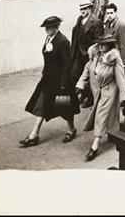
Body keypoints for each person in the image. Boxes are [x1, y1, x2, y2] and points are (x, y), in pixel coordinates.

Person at [20, 16, 80, 147]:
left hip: (61, 82)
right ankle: (34, 135)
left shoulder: (63, 41)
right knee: (41, 104)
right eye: (46, 27)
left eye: (49, 27)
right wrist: (44, 73)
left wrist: (63, 84)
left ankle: (71, 129)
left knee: (65, 106)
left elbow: (67, 64)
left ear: (56, 27)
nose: (46, 30)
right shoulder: (49, 38)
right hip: (48, 80)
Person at [76, 32, 125, 161]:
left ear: (109, 45)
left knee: (101, 116)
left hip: (109, 90)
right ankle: (113, 133)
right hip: (97, 91)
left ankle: (95, 146)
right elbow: (87, 70)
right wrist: (80, 85)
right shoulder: (95, 56)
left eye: (103, 44)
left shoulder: (114, 59)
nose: (100, 46)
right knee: (108, 115)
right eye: (99, 43)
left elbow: (121, 78)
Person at [71, 0, 103, 108]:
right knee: (74, 74)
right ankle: (82, 94)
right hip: (79, 54)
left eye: (84, 9)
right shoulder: (79, 20)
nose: (82, 11)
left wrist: (94, 53)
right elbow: (76, 37)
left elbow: (98, 40)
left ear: (90, 8)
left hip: (89, 54)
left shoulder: (96, 22)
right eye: (81, 9)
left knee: (90, 77)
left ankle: (90, 99)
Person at [104, 3, 125, 68]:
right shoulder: (107, 24)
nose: (109, 15)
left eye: (111, 13)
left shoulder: (121, 25)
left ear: (116, 13)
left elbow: (124, 45)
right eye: (107, 13)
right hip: (110, 58)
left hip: (118, 58)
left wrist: (124, 63)